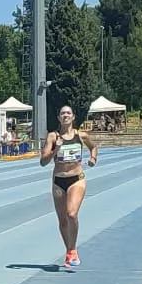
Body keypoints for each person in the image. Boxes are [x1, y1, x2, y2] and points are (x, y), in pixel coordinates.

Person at [41, 103, 96, 268]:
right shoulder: (52, 137)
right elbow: (43, 162)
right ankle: (70, 251)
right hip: (58, 181)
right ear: (59, 118)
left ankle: (72, 248)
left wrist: (93, 158)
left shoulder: (81, 135)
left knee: (71, 214)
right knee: (63, 221)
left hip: (76, 179)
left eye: (68, 113)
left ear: (73, 117)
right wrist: (55, 150)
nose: (65, 115)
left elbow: (93, 147)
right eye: (62, 113)